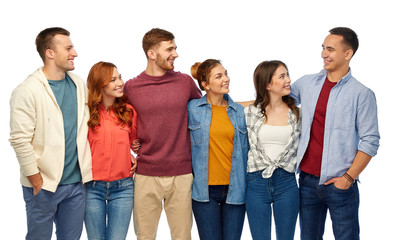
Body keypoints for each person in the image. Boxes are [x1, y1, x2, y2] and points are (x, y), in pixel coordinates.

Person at [290, 27, 380, 240]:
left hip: (341, 185)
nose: (323, 54)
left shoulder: (362, 94)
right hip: (307, 183)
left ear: (347, 54)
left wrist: (348, 178)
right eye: (323, 48)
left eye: (330, 49)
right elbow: (275, 102)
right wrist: (230, 104)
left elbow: (370, 141)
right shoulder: (306, 83)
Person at [9, 27, 92, 240]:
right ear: (50, 53)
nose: (75, 53)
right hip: (43, 186)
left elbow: (88, 127)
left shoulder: (78, 84)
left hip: (76, 186)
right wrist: (36, 180)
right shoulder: (27, 90)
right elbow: (20, 140)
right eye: (69, 48)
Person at [124, 28, 202, 240]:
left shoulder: (185, 82)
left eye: (175, 48)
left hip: (182, 173)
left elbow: (205, 111)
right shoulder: (131, 87)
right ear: (152, 53)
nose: (175, 54)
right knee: (145, 236)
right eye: (169, 49)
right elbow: (119, 120)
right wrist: (130, 143)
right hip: (145, 174)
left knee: (182, 236)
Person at [188, 59, 248, 240]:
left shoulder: (238, 111)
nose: (226, 79)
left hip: (235, 188)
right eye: (219, 76)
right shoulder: (192, 109)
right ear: (205, 85)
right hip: (204, 191)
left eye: (226, 74)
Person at [244, 60, 301, 240]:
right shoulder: (250, 112)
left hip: (287, 182)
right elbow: (223, 104)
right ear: (268, 84)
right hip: (256, 181)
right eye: (282, 76)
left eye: (287, 75)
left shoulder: (298, 114)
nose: (288, 80)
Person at [84, 61, 138, 240]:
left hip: (123, 187)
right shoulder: (86, 113)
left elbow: (136, 144)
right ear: (100, 84)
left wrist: (132, 155)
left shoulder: (128, 112)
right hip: (92, 187)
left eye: (120, 77)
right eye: (113, 79)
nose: (120, 83)